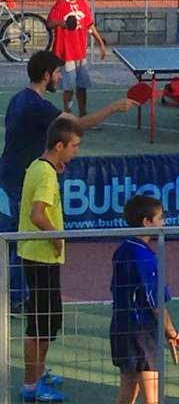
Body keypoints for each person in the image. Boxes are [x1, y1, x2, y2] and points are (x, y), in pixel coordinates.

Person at [0, 51, 134, 313]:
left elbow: (27, 138)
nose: (61, 77)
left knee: (14, 240)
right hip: (19, 182)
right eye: (57, 73)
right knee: (19, 241)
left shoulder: (18, 99)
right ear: (46, 75)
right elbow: (78, 125)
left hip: (11, 175)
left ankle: (15, 296)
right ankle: (16, 299)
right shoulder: (38, 107)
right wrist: (114, 107)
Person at [18, 117, 85, 403]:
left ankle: (39, 371)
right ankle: (31, 386)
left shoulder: (38, 165)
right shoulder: (45, 174)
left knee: (48, 320)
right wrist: (56, 237)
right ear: (59, 146)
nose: (76, 151)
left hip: (37, 256)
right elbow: (37, 214)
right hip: (41, 257)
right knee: (40, 325)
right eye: (74, 146)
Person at [110, 195, 179, 404]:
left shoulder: (123, 250)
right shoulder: (144, 257)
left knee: (128, 391)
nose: (164, 223)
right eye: (160, 218)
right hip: (141, 332)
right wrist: (171, 331)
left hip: (122, 327)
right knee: (152, 397)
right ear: (147, 221)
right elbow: (155, 301)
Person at [47, 0, 108, 117]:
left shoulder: (82, 3)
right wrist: (62, 23)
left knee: (82, 86)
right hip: (66, 53)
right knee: (69, 87)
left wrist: (100, 42)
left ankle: (83, 115)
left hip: (80, 53)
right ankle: (68, 116)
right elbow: (49, 23)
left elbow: (89, 25)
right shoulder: (60, 5)